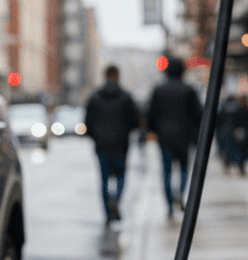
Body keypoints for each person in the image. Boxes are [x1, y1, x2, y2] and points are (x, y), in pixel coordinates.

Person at [147, 57, 202, 218]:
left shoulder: (159, 89)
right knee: (184, 169)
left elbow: (151, 114)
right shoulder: (189, 90)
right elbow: (198, 114)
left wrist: (154, 130)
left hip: (164, 137)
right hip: (184, 136)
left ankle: (169, 204)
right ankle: (180, 193)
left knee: (166, 171)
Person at [85, 65, 140, 223]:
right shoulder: (126, 97)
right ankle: (116, 200)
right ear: (118, 76)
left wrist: (97, 136)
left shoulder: (95, 97)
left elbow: (87, 123)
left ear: (105, 76)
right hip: (120, 145)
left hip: (102, 145)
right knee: (121, 176)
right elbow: (135, 121)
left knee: (103, 179)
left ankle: (107, 211)